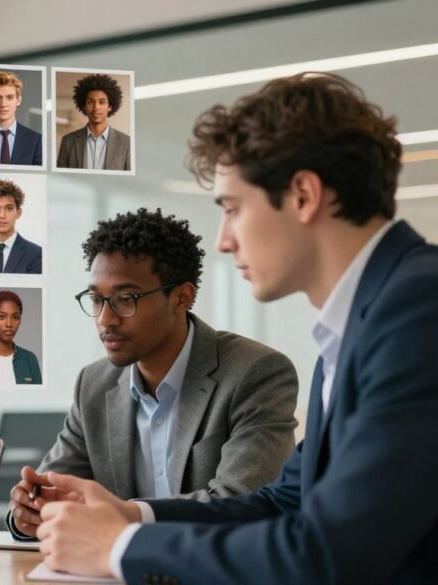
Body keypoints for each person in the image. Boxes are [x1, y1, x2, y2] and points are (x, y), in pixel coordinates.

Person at [30, 73, 438, 584]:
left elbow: (327, 553)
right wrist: (129, 516)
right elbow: (284, 502)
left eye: (232, 208)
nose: (223, 241)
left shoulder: (418, 310)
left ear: (304, 196)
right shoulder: (364, 321)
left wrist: (120, 547)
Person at [8, 207, 299, 539]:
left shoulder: (255, 373)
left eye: (125, 298)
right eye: (96, 299)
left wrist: (129, 515)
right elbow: (51, 492)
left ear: (182, 298)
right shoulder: (93, 384)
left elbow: (243, 505)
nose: (105, 319)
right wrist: (28, 512)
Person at [56, 73, 130, 171]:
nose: (96, 107)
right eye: (90, 102)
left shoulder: (126, 142)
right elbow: (61, 178)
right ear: (84, 106)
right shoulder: (68, 141)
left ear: (110, 106)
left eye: (102, 102)